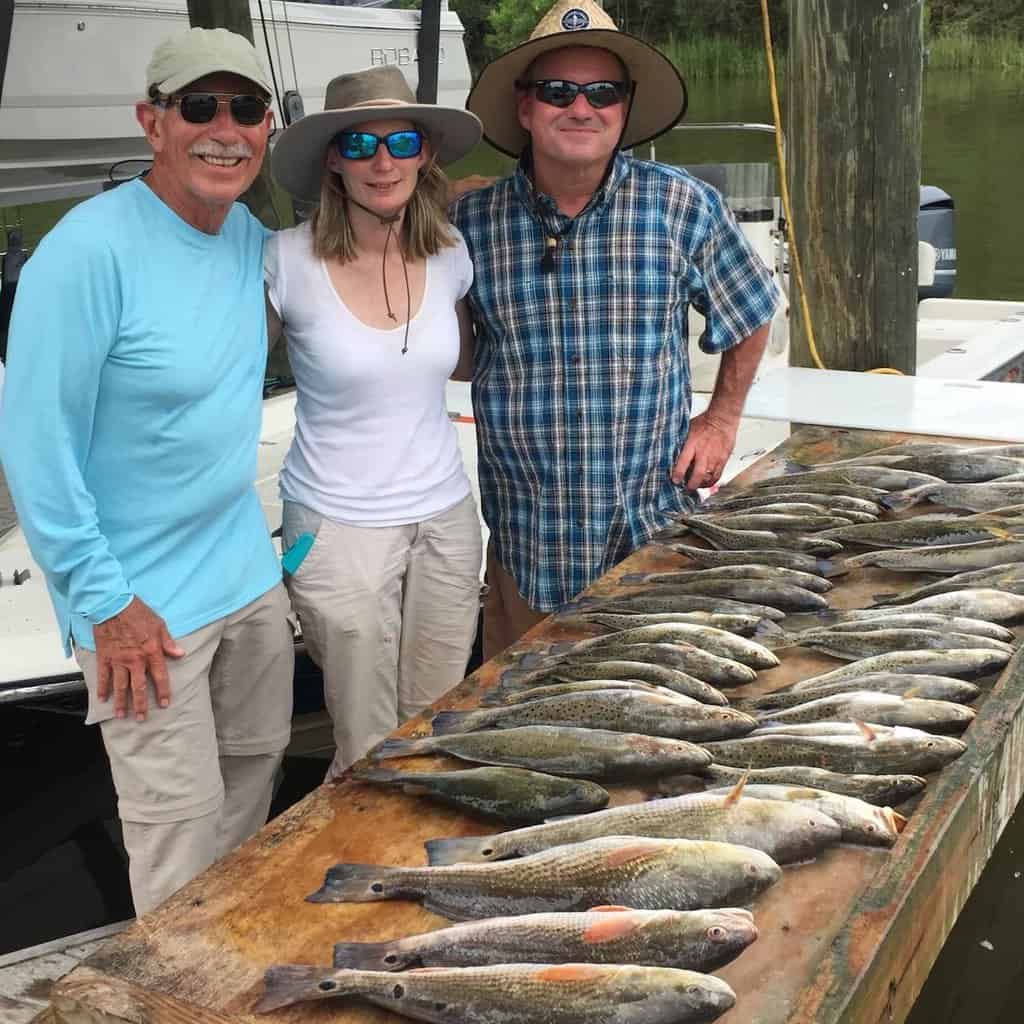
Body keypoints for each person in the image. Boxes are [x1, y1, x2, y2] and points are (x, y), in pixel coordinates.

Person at [0, 28, 294, 915]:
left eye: (245, 109)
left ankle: (229, 966)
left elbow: (350, 242)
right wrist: (105, 606)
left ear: (268, 127)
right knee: (176, 833)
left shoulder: (245, 233)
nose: (224, 128)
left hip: (245, 573)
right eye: (197, 106)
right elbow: (35, 449)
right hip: (140, 611)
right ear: (151, 122)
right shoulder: (84, 253)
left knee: (253, 785)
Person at [450, 0, 781, 659]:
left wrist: (720, 420)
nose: (581, 108)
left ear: (624, 108)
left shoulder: (684, 204)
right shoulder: (471, 220)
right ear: (524, 108)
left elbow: (752, 310)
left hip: (653, 532)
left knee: (654, 724)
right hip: (526, 546)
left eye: (602, 92)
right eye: (557, 92)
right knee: (519, 724)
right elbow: (453, 356)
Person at [265, 66, 484, 778]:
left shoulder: (451, 252)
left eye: (402, 141)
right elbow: (221, 379)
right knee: (364, 737)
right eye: (359, 143)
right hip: (333, 527)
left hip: (446, 517)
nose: (382, 161)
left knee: (440, 721)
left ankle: (421, 864)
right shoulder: (285, 261)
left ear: (426, 154)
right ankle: (353, 867)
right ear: (333, 159)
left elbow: (459, 362)